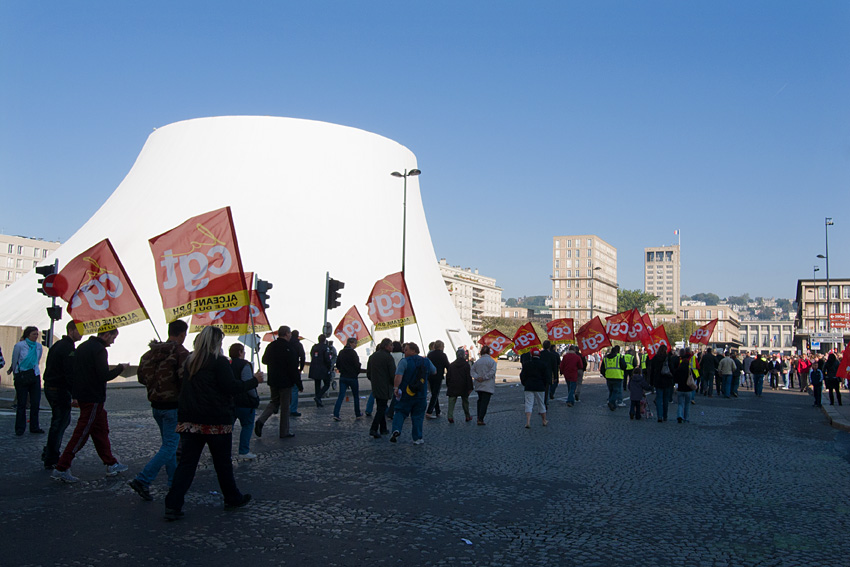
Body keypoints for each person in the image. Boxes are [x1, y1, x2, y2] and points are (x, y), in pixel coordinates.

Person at [163, 327, 258, 521]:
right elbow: (230, 387)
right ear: (216, 343)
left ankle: (173, 503)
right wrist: (254, 381)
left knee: (187, 464)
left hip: (191, 420)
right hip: (215, 420)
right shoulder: (219, 362)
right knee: (222, 463)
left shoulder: (192, 361)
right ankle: (232, 497)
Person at [52, 329, 127, 483]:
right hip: (93, 397)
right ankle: (62, 466)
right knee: (81, 433)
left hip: (86, 396)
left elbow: (75, 373)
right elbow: (103, 376)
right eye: (113, 337)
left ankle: (111, 463)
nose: (113, 341)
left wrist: (76, 394)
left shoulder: (83, 347)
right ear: (106, 335)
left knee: (101, 431)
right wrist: (120, 368)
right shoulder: (99, 350)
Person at [128, 320, 190, 501]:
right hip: (173, 406)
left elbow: (141, 377)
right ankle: (143, 479)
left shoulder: (150, 353)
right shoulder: (180, 353)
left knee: (168, 446)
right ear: (182, 334)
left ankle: (173, 482)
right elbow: (184, 378)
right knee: (170, 446)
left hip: (156, 405)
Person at [41, 321, 82, 468]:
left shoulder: (59, 345)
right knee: (59, 423)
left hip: (52, 387)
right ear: (71, 330)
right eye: (79, 330)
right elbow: (69, 373)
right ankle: (51, 456)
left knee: (59, 422)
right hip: (58, 389)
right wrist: (75, 394)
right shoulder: (67, 348)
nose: (82, 334)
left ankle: (50, 452)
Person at [256, 326, 301, 438]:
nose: (290, 335)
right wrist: (299, 384)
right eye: (289, 333)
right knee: (285, 407)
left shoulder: (271, 346)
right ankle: (284, 431)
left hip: (273, 380)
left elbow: (264, 360)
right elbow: (293, 368)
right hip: (285, 382)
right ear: (286, 333)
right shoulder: (289, 348)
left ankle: (261, 420)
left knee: (274, 402)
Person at [390, 342, 436, 444]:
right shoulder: (426, 361)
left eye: (406, 350)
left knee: (400, 412)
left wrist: (396, 388)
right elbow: (434, 371)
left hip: (406, 393)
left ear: (413, 350)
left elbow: (398, 375)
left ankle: (396, 429)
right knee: (418, 416)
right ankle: (417, 438)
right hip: (421, 394)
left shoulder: (404, 361)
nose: (404, 351)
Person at [8, 326, 45, 436]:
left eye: (37, 334)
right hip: (22, 374)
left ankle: (34, 426)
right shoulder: (20, 346)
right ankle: (20, 428)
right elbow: (15, 360)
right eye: (34, 334)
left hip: (34, 374)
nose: (36, 336)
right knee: (21, 403)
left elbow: (37, 360)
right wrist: (16, 373)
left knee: (35, 402)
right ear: (28, 335)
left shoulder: (38, 347)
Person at [230, 343, 263, 459]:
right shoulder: (245, 365)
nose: (244, 353)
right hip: (244, 402)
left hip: (231, 401)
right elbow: (248, 384)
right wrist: (255, 398)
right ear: (239, 352)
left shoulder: (227, 364)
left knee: (229, 428)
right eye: (243, 351)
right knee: (247, 425)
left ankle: (225, 451)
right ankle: (244, 451)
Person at [366, 338, 396, 438]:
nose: (393, 347)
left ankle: (383, 428)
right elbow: (392, 374)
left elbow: (368, 373)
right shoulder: (388, 357)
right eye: (391, 345)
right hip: (385, 385)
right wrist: (394, 384)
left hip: (376, 385)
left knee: (380, 406)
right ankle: (374, 428)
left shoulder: (373, 356)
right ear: (386, 346)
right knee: (382, 408)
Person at [333, 337, 363, 420]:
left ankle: (336, 413)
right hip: (352, 377)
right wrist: (356, 372)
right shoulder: (353, 353)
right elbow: (357, 365)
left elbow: (338, 364)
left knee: (341, 396)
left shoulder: (341, 352)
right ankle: (357, 413)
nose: (355, 345)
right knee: (356, 396)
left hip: (343, 376)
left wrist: (342, 370)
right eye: (355, 343)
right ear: (351, 343)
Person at [520, 347, 548, 428]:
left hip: (529, 386)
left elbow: (522, 375)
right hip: (540, 386)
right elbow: (546, 377)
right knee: (541, 404)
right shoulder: (543, 364)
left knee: (528, 404)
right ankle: (544, 420)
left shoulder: (527, 364)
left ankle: (528, 421)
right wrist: (544, 384)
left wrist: (525, 383)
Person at [445, 347, 473, 423]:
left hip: (453, 385)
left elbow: (448, 377)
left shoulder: (452, 365)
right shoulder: (466, 365)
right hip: (463, 386)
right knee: (465, 402)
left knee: (451, 402)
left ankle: (450, 416)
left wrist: (448, 385)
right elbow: (468, 377)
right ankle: (467, 416)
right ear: (464, 355)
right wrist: (470, 387)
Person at [471, 345, 497, 425]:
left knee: (480, 401)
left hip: (479, 384)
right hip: (488, 385)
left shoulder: (477, 362)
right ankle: (480, 418)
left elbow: (472, 371)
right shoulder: (492, 362)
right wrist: (484, 377)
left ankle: (479, 416)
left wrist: (477, 377)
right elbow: (492, 372)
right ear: (489, 352)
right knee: (484, 403)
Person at [425, 340, 450, 419]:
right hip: (438, 376)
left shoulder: (430, 354)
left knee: (434, 393)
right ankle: (429, 411)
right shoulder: (443, 355)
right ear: (441, 347)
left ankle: (438, 411)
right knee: (435, 394)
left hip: (430, 376)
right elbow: (447, 366)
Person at [649, 344, 673, 422]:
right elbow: (672, 370)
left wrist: (651, 382)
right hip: (667, 381)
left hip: (658, 381)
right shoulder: (668, 358)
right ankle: (665, 416)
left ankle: (659, 416)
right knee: (665, 400)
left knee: (659, 399)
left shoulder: (655, 358)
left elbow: (652, 371)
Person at [601, 346, 627, 411]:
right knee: (616, 391)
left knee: (611, 391)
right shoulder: (619, 357)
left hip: (609, 377)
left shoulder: (606, 358)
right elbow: (624, 366)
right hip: (617, 377)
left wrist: (606, 375)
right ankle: (611, 402)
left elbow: (602, 369)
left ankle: (612, 405)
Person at [309, 335, 332, 407]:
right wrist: (329, 367)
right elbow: (327, 359)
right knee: (327, 384)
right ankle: (318, 397)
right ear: (325, 340)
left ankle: (318, 401)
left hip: (315, 368)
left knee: (317, 384)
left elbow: (311, 354)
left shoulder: (315, 346)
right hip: (323, 368)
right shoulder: (325, 347)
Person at [288, 330, 306, 417]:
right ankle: (293, 409)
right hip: (294, 369)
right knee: (294, 390)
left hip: (284, 369)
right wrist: (301, 368)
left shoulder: (287, 343)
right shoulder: (298, 345)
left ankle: (282, 407)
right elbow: (302, 357)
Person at [675, 349, 694, 423]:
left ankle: (680, 415)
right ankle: (686, 418)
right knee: (687, 404)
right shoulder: (689, 369)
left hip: (680, 388)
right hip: (688, 389)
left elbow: (676, 378)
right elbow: (692, 378)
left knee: (680, 404)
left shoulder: (679, 369)